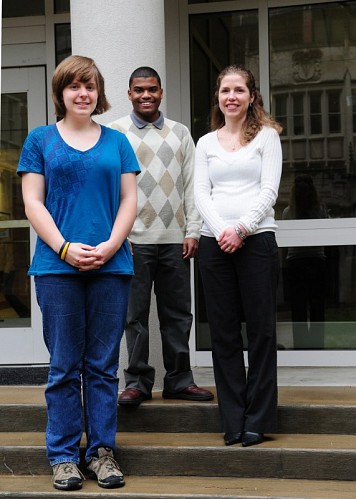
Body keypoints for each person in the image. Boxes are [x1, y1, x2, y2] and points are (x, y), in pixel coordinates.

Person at [17, 55, 140, 491]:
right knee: (65, 366)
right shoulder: (40, 140)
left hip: (112, 265)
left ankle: (101, 452)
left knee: (104, 366)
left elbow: (129, 200)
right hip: (57, 269)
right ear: (61, 93)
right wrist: (65, 248)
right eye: (74, 86)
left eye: (89, 86)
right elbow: (33, 202)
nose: (82, 93)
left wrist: (109, 246)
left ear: (98, 92)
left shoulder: (117, 142)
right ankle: (65, 456)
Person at [109, 66, 213, 406]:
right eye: (139, 90)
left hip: (175, 240)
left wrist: (193, 231)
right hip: (132, 241)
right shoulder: (115, 133)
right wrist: (116, 236)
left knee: (178, 314)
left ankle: (179, 381)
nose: (146, 95)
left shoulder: (181, 133)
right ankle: (137, 382)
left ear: (161, 92)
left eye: (152, 89)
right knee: (133, 316)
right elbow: (111, 190)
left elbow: (193, 188)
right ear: (129, 94)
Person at [194, 65, 282, 447]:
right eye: (225, 90)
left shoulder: (267, 137)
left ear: (251, 96)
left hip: (257, 240)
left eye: (239, 90)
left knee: (261, 331)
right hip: (214, 244)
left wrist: (241, 229)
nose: (231, 96)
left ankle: (257, 419)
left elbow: (269, 190)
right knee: (224, 334)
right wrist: (221, 231)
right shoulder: (206, 143)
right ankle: (232, 418)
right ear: (218, 96)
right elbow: (201, 194)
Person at [282, 174, 327, 349]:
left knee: (298, 307)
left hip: (296, 262)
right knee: (317, 305)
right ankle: (317, 346)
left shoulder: (288, 212)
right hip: (316, 260)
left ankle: (301, 347)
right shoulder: (320, 210)